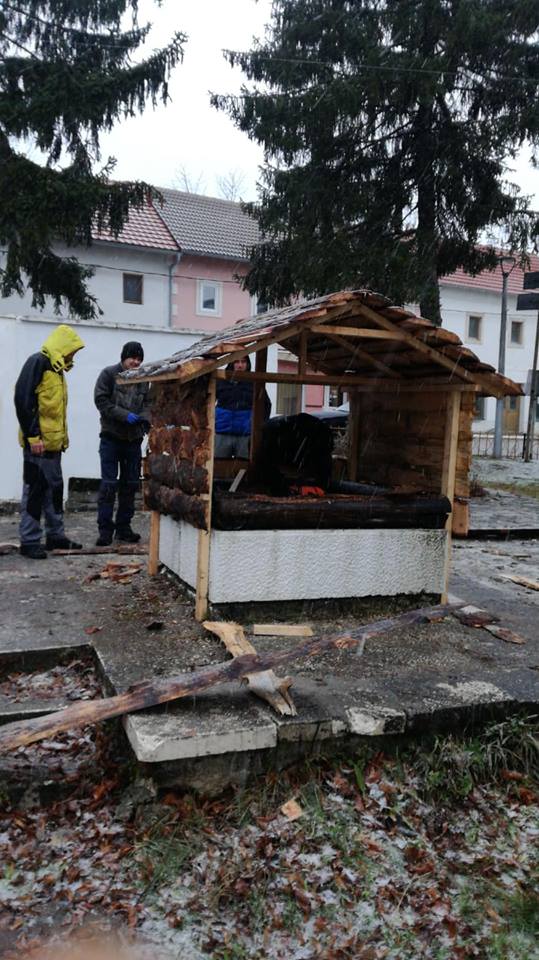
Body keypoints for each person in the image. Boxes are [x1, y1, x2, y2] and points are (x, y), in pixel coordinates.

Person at [14, 324, 85, 559]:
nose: (73, 356)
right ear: (62, 347)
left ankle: (55, 537)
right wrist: (32, 436)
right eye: (72, 351)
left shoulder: (57, 370)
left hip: (54, 446)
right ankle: (29, 541)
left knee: (54, 491)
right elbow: (23, 400)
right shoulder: (38, 363)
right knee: (34, 491)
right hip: (38, 444)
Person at [94, 341, 150, 546]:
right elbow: (101, 401)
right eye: (132, 358)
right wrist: (124, 415)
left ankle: (124, 527)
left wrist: (144, 420)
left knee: (130, 485)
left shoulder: (144, 378)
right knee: (109, 485)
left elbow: (148, 404)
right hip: (111, 437)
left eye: (138, 359)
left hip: (133, 440)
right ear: (123, 357)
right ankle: (105, 530)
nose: (135, 362)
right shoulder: (109, 374)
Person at [215, 356, 271, 459]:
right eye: (236, 361)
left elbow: (266, 405)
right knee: (217, 465)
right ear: (231, 363)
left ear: (248, 364)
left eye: (243, 362)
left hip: (245, 435)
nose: (240, 365)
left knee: (243, 468)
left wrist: (261, 427)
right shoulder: (221, 381)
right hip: (221, 432)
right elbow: (208, 402)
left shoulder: (254, 383)